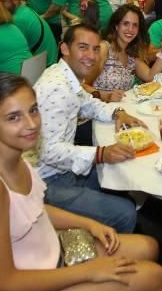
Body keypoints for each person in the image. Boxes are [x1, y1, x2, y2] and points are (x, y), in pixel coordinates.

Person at [0, 73, 162, 291]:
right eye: (13, 117)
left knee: (147, 247)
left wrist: (89, 224)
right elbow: (2, 284)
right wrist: (88, 272)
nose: (31, 124)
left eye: (33, 110)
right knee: (153, 279)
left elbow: (34, 210)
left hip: (45, 260)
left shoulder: (15, 157)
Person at [33, 24, 145, 233]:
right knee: (125, 211)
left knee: (119, 176)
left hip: (62, 171)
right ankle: (107, 256)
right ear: (65, 49)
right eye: (83, 47)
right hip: (46, 182)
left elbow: (88, 103)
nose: (91, 56)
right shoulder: (57, 88)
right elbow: (47, 151)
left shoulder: (66, 76)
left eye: (95, 49)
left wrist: (118, 112)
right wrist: (101, 153)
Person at [90, 4, 162, 93]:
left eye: (135, 25)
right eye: (126, 24)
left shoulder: (131, 55)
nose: (130, 29)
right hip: (100, 104)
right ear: (116, 26)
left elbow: (150, 77)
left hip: (123, 105)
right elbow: (84, 85)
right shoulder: (104, 48)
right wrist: (105, 96)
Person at [0, 0, 57, 67]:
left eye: (2, 1)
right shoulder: (23, 9)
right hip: (49, 59)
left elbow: (9, 50)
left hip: (45, 67)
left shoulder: (19, 19)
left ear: (15, 0)